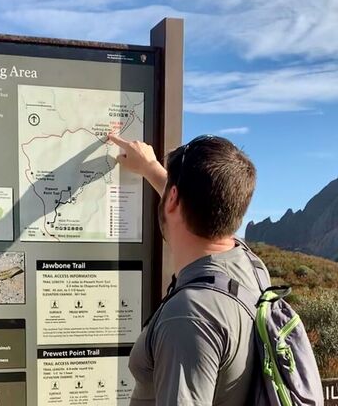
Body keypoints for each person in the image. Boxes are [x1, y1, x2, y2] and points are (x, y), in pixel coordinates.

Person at [108, 133, 268, 406]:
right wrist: (152, 169)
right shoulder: (250, 266)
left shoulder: (188, 317)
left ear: (172, 199)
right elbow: (198, 208)